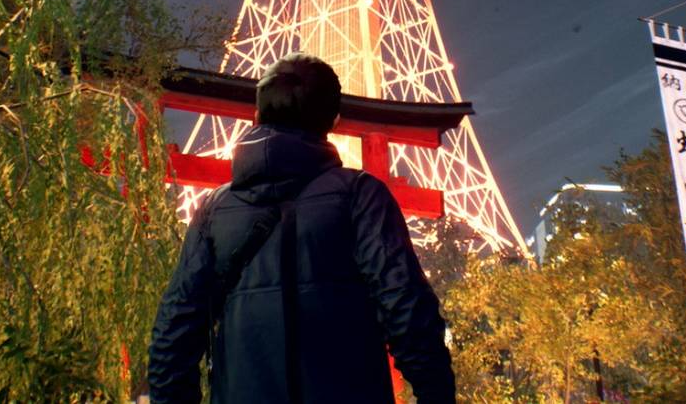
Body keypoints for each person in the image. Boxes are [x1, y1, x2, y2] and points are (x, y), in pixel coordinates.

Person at [147, 53, 455, 403]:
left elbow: (175, 330)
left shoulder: (215, 210)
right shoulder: (359, 196)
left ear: (257, 115)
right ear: (333, 121)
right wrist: (436, 394)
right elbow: (407, 308)